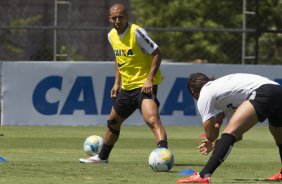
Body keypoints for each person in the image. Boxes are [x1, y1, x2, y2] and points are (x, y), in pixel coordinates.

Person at [79, 3, 168, 163]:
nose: (117, 20)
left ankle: (164, 156)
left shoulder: (137, 32)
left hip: (144, 86)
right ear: (109, 18)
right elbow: (119, 60)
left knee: (152, 120)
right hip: (127, 88)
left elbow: (157, 53)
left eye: (121, 17)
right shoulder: (111, 35)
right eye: (114, 18)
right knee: (113, 122)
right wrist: (116, 83)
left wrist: (149, 79)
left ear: (127, 17)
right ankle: (102, 158)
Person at [177, 72, 282, 183]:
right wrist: (216, 144)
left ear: (192, 92)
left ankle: (203, 175)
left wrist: (217, 122)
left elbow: (211, 135)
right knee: (279, 134)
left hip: (263, 91)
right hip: (277, 90)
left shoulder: (205, 93)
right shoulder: (224, 93)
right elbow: (238, 136)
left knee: (230, 132)